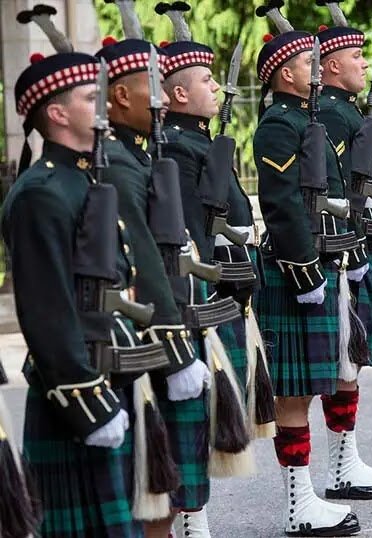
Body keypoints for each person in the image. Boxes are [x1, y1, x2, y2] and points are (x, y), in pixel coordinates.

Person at [5, 12, 164, 535]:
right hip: (79, 392)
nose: (103, 108)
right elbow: (48, 313)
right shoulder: (40, 194)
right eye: (90, 100)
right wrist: (88, 402)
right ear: (56, 113)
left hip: (113, 369)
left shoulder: (84, 180)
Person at [95, 30, 211, 537]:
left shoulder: (140, 154)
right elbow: (143, 256)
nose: (163, 99)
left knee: (163, 487)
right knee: (151, 489)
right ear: (120, 95)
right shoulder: (119, 164)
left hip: (164, 326)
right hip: (146, 338)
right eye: (154, 86)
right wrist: (176, 343)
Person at [253, 4, 362, 533]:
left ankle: (313, 493)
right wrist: (305, 271)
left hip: (323, 260)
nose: (318, 68)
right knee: (293, 392)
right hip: (295, 269)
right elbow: (280, 203)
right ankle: (299, 505)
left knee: (318, 382)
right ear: (283, 72)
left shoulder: (305, 119)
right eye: (307, 62)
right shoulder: (278, 124)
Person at [314, 6, 372, 501]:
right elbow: (334, 183)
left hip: (360, 241)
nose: (364, 62)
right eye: (355, 55)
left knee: (352, 362)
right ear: (328, 64)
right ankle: (340, 466)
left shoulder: (345, 108)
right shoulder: (328, 112)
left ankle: (347, 459)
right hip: (345, 247)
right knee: (342, 364)